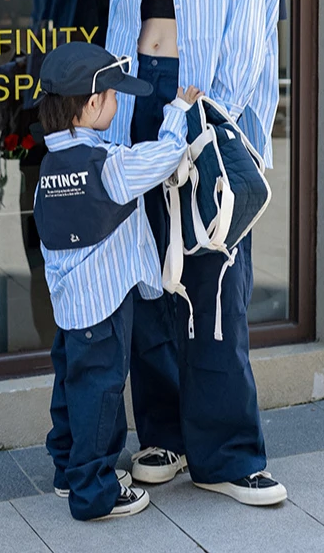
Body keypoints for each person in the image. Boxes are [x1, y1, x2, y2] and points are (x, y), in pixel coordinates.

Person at [105, 0, 288, 505]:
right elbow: (122, 22)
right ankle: (165, 436)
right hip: (142, 100)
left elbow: (246, 43)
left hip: (208, 112)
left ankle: (230, 453)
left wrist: (203, 118)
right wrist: (119, 115)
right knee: (151, 272)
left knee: (214, 275)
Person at [32, 41, 202, 521]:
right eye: (111, 97)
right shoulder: (110, 166)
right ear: (90, 105)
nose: (116, 103)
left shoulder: (51, 165)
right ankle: (94, 492)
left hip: (70, 305)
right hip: (104, 306)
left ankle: (69, 471)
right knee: (102, 395)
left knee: (71, 386)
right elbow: (166, 156)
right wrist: (178, 110)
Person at [4, 0, 127, 348]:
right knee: (43, 241)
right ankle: (61, 358)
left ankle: (72, 360)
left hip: (71, 111)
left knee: (58, 243)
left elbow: (81, 25)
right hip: (47, 98)